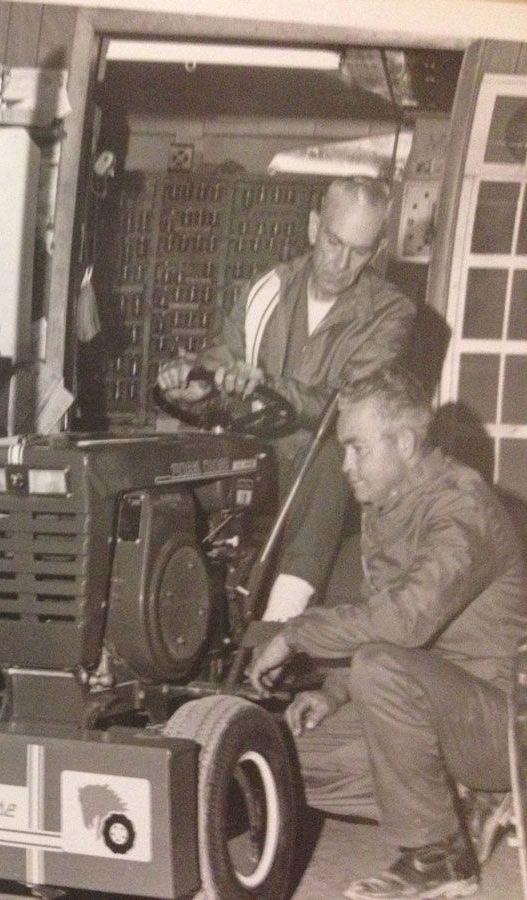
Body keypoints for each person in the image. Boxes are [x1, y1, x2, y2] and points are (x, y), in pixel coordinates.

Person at [247, 365, 527, 900]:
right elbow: (391, 627)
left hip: (499, 725)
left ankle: (440, 857)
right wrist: (331, 693)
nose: (347, 466)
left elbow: (402, 624)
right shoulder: (389, 505)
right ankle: (464, 800)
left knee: (379, 665)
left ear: (404, 442)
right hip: (435, 709)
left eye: (357, 448)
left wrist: (295, 634)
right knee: (281, 749)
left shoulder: (462, 508)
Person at [157, 175, 416, 621]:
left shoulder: (391, 313)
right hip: (260, 465)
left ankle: (280, 619)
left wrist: (268, 386)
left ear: (375, 252)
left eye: (359, 252)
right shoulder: (268, 290)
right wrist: (195, 388)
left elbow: (349, 404)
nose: (341, 262)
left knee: (335, 450)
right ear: (315, 227)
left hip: (333, 485)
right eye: (335, 242)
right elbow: (222, 361)